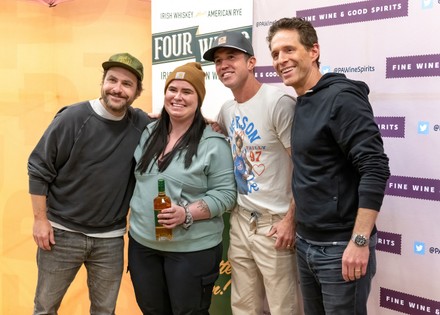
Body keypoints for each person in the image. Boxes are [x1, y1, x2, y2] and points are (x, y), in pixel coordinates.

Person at [267, 17, 391, 315]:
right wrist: (292, 220)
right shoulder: (304, 101)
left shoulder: (341, 98)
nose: (281, 60)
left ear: (313, 51)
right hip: (306, 244)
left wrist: (359, 241)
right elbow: (310, 170)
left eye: (288, 50)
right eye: (275, 54)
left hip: (340, 249)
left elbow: (375, 167)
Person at [28, 52, 152, 314]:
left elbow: (172, 121)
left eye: (127, 84)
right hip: (61, 234)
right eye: (112, 80)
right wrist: (40, 220)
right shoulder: (72, 118)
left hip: (110, 239)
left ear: (136, 92)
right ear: (103, 82)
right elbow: (38, 168)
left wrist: (208, 123)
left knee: (104, 311)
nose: (117, 89)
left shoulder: (139, 122)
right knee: (45, 307)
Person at [203, 31, 303, 315]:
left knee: (283, 308)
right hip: (241, 220)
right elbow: (214, 132)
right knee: (243, 307)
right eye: (219, 61)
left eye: (232, 57)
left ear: (252, 62)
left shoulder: (278, 102)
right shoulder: (227, 109)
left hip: (275, 226)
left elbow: (303, 167)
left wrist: (291, 220)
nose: (224, 65)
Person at [127, 62, 237, 315]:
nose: (177, 97)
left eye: (187, 92)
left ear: (198, 99)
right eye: (172, 89)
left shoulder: (213, 143)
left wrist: (186, 213)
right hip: (143, 246)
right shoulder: (147, 132)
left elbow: (227, 195)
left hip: (192, 251)